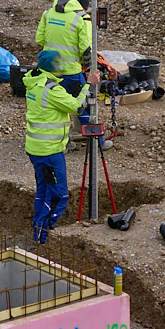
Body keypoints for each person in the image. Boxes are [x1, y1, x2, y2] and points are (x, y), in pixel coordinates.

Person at [24, 50, 101, 245]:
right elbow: (77, 107)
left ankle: (38, 230)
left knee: (44, 190)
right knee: (59, 195)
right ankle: (44, 233)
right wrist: (89, 85)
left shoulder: (34, 81)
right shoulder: (52, 90)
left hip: (36, 148)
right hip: (49, 151)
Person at [35, 0, 111, 150]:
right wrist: (89, 68)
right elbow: (86, 50)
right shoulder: (82, 19)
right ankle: (98, 142)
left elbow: (39, 39)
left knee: (55, 108)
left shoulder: (48, 13)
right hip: (70, 72)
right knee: (83, 105)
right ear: (84, 6)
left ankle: (63, 142)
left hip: (49, 71)